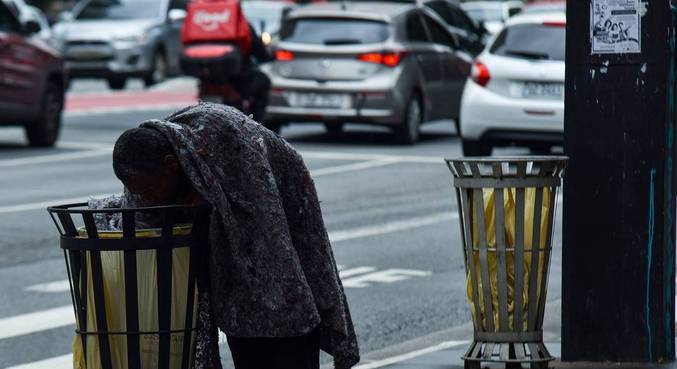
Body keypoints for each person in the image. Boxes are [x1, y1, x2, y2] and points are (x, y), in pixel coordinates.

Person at [109, 102, 359, 369]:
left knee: (286, 325)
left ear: (171, 165)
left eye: (149, 192)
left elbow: (266, 233)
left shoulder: (224, 141)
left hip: (277, 215)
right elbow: (140, 217)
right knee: (244, 332)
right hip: (237, 288)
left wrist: (206, 201)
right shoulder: (146, 163)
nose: (148, 199)